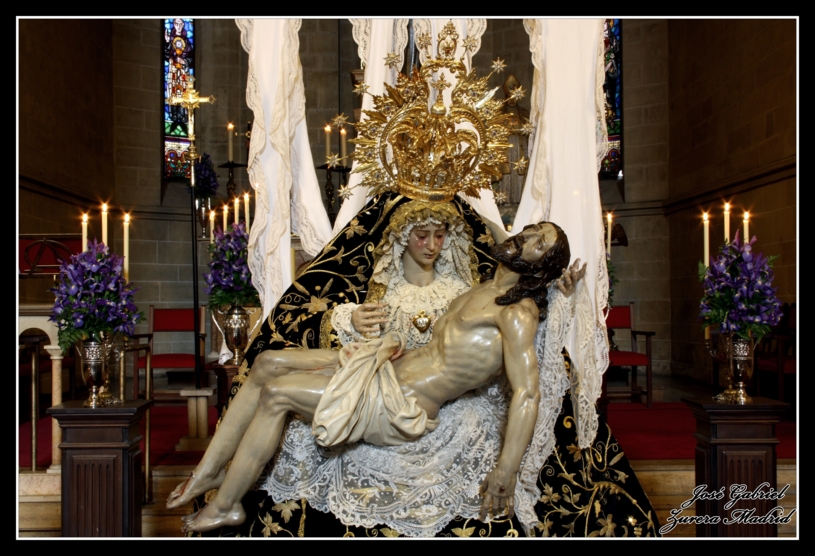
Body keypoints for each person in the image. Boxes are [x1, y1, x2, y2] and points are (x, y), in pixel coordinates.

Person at [168, 221, 585, 533]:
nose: (525, 237)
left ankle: (227, 505)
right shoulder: (480, 289)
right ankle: (212, 468)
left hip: (401, 402)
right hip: (385, 364)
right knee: (267, 362)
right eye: (531, 229)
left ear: (541, 267)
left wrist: (506, 471)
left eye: (538, 243)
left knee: (278, 393)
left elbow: (528, 392)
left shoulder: (518, 314)